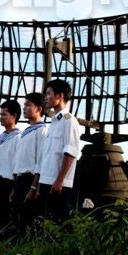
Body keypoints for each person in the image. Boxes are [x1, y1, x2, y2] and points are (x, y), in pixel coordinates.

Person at [32, 79, 81, 224]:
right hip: (46, 182)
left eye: (48, 93)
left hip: (59, 185)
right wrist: (39, 183)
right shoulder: (52, 124)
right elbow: (45, 157)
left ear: (59, 96)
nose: (45, 97)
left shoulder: (69, 121)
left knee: (58, 225)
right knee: (42, 225)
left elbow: (70, 153)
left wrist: (59, 181)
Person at [10, 92, 47, 237]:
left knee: (27, 222)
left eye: (28, 105)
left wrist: (34, 187)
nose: (24, 108)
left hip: (30, 181)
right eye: (24, 105)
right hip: (20, 181)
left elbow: (41, 161)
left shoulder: (42, 131)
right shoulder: (25, 133)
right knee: (17, 221)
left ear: (38, 108)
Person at [0, 100, 21, 233]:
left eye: (4, 114)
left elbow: (17, 163)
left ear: (13, 116)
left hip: (8, 183)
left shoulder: (18, 138)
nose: (0, 117)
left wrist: (15, 186)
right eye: (0, 114)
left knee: (4, 219)